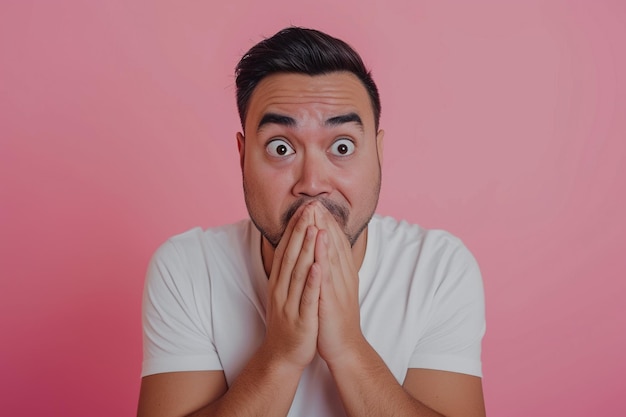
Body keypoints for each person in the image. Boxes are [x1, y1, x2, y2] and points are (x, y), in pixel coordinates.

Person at [137, 27, 486, 417]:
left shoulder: (438, 270)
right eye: (281, 147)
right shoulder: (187, 269)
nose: (313, 184)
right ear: (242, 156)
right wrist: (281, 356)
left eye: (342, 147)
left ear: (378, 153)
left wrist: (349, 349)